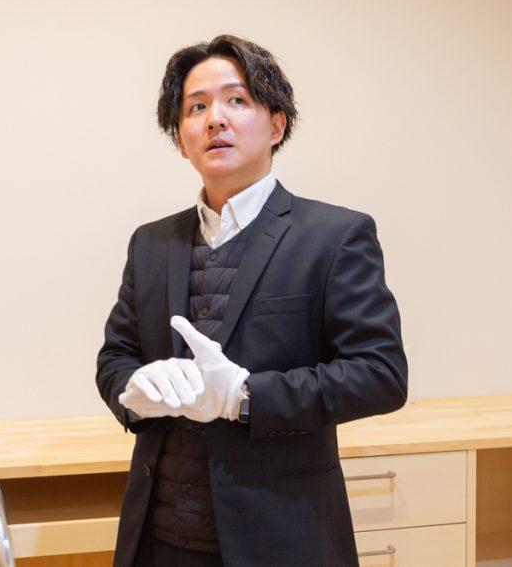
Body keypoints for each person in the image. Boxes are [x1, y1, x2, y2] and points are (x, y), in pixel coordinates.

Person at [96, 36, 408, 566]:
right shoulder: (151, 243)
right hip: (159, 536)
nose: (215, 119)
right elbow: (115, 356)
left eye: (236, 100)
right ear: (181, 139)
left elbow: (380, 375)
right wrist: (133, 391)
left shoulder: (334, 236)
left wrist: (244, 396)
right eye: (196, 107)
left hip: (280, 537)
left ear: (277, 125)